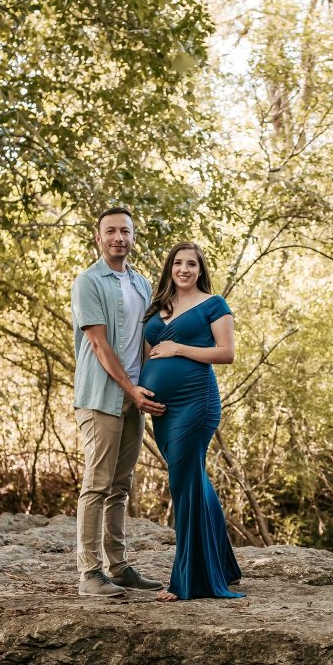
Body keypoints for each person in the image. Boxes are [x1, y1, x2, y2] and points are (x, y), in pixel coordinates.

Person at [140, 241, 245, 601]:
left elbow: (226, 353)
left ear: (201, 270)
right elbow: (146, 353)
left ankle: (186, 580)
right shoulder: (159, 307)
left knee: (183, 484)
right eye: (178, 263)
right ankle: (224, 567)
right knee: (194, 479)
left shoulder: (214, 305)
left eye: (192, 264)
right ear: (170, 267)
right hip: (162, 409)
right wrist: (139, 392)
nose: (184, 269)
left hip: (196, 404)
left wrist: (179, 349)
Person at [71, 205, 165, 597]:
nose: (118, 238)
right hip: (102, 397)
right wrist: (131, 388)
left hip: (134, 396)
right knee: (97, 483)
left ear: (133, 237)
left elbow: (146, 342)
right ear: (99, 237)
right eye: (110, 231)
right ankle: (90, 573)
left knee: (121, 486)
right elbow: (99, 343)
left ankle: (118, 565)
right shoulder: (88, 282)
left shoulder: (143, 284)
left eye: (125, 231)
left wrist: (149, 384)